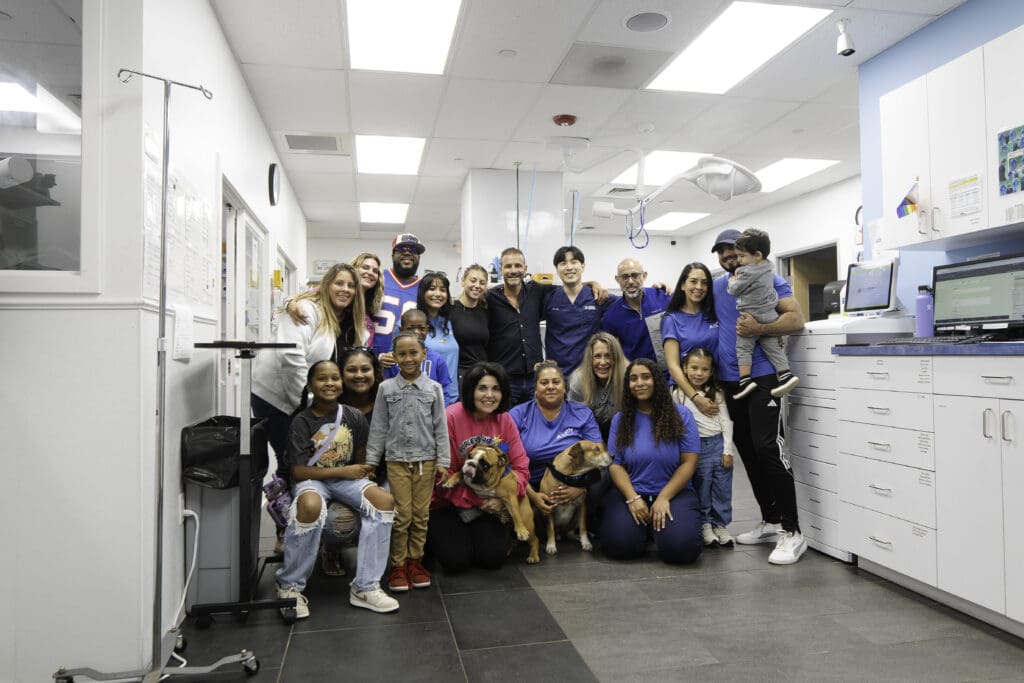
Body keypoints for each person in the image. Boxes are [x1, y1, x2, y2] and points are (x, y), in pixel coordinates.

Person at [711, 228, 807, 565]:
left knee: (769, 448)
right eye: (722, 252)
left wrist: (762, 330)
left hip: (765, 376)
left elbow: (796, 318)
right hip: (732, 381)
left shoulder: (770, 280)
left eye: (733, 250)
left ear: (749, 252)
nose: (728, 256)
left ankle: (793, 531)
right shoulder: (718, 285)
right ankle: (771, 519)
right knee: (750, 453)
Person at [274, 360, 399, 618]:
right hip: (313, 478)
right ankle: (289, 585)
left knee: (384, 502)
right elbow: (299, 472)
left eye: (334, 378)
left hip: (346, 479)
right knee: (310, 506)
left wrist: (359, 476)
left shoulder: (353, 416)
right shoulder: (301, 421)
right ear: (310, 385)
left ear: (341, 384)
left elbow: (362, 460)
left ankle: (365, 587)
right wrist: (344, 472)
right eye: (322, 379)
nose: (329, 383)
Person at [253, 262, 369, 469]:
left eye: (351, 286)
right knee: (293, 461)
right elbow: (290, 356)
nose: (345, 289)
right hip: (279, 398)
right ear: (326, 286)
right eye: (339, 283)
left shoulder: (352, 322)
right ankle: (286, 499)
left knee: (313, 460)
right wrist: (307, 403)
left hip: (315, 401)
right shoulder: (306, 310)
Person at [365, 332, 449, 593]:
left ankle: (416, 561)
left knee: (421, 515)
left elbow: (441, 428)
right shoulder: (385, 389)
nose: (408, 358)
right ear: (395, 356)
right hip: (397, 462)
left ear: (424, 355)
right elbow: (378, 427)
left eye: (414, 353)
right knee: (402, 516)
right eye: (402, 353)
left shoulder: (434, 389)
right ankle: (398, 565)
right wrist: (370, 462)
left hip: (426, 461)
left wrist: (444, 461)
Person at [428, 362, 530, 572]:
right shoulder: (451, 417)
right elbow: (441, 475)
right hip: (447, 503)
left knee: (492, 559)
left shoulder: (505, 420)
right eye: (482, 388)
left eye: (496, 389)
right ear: (470, 390)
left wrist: (502, 497)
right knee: (455, 562)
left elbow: (521, 469)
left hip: (488, 504)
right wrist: (477, 499)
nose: (489, 395)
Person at [601, 358, 702, 564]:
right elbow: (616, 464)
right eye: (633, 379)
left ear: (656, 380)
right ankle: (644, 530)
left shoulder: (681, 415)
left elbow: (689, 463)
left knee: (682, 551)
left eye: (646, 377)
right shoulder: (620, 419)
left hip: (674, 494)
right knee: (618, 546)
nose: (639, 383)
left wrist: (663, 498)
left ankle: (659, 530)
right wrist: (632, 498)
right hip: (632, 493)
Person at [318, 345, 383, 578]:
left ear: (374, 372)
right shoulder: (326, 406)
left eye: (365, 369)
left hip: (379, 476)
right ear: (341, 374)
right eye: (351, 370)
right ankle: (331, 548)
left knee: (397, 508)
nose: (359, 375)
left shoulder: (385, 402)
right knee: (339, 523)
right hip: (337, 481)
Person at [509, 360, 604, 521]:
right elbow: (507, 462)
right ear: (535, 389)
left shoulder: (581, 413)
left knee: (605, 473)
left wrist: (581, 486)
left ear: (565, 387)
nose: (551, 386)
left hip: (576, 480)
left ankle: (588, 524)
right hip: (531, 484)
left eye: (556, 382)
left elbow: (599, 452)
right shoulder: (518, 414)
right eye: (544, 382)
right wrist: (533, 496)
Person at [727, 229, 800, 400]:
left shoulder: (746, 271)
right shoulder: (768, 266)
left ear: (757, 255)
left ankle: (745, 380)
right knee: (773, 348)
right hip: (769, 313)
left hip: (751, 315)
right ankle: (785, 375)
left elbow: (734, 290)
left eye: (742, 256)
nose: (738, 261)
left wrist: (732, 281)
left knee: (743, 348)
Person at [674, 347, 736, 548]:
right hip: (695, 447)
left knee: (721, 487)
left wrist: (727, 450)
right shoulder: (678, 394)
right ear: (684, 368)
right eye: (694, 368)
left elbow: (726, 421)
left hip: (717, 444)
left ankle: (721, 524)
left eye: (704, 369)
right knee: (702, 486)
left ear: (711, 372)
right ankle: (705, 524)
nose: (699, 373)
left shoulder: (716, 393)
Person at [662, 262, 719, 410]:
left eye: (704, 283)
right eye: (693, 281)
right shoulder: (671, 319)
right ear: (682, 285)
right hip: (686, 393)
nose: (699, 287)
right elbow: (673, 366)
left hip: (716, 387)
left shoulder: (714, 314)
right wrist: (696, 398)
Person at [543, 246, 608, 376]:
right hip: (557, 374)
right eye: (563, 263)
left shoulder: (598, 297)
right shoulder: (548, 297)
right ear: (557, 269)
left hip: (589, 374)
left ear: (582, 266)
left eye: (574, 262)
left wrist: (656, 292)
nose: (569, 267)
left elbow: (628, 301)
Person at [601, 257, 670, 362]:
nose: (630, 281)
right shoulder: (611, 317)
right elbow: (610, 353)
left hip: (668, 373)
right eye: (624, 277)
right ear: (617, 279)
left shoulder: (662, 297)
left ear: (644, 275)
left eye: (635, 275)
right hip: (636, 375)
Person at [383, 309, 457, 405]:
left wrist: (439, 415)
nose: (416, 332)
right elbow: (386, 392)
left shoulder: (438, 360)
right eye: (410, 328)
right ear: (401, 330)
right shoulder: (393, 359)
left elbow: (444, 393)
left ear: (427, 329)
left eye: (421, 328)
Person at [372, 233, 426, 360]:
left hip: (407, 363)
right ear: (392, 255)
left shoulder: (424, 288)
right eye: (401, 249)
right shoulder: (377, 279)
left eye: (413, 250)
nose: (407, 253)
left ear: (418, 257)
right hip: (372, 361)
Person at [568, 331, 628, 443]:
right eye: (597, 356)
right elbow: (576, 422)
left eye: (608, 356)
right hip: (590, 436)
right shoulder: (578, 381)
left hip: (623, 434)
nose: (603, 362)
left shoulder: (628, 377)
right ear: (590, 359)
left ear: (616, 358)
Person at [417, 271, 460, 394]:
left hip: (451, 394)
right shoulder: (412, 321)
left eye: (442, 290)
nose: (438, 294)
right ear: (422, 292)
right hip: (426, 396)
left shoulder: (448, 322)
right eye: (432, 289)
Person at [449, 263, 489, 386]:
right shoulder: (450, 309)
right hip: (459, 375)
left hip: (482, 373)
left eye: (482, 283)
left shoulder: (486, 311)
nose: (477, 285)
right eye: (473, 280)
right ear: (462, 281)